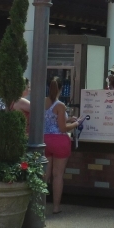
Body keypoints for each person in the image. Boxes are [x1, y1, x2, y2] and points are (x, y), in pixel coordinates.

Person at [44, 83, 75, 214]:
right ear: (61, 89)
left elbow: (50, 122)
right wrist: (75, 123)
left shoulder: (42, 102)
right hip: (59, 141)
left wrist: (68, 120)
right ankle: (56, 207)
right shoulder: (60, 105)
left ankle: (40, 205)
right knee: (57, 175)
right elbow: (62, 128)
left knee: (45, 175)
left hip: (44, 140)